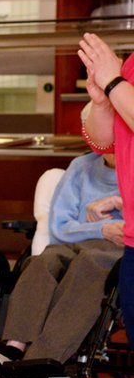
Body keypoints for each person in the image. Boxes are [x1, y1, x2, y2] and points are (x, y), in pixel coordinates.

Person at [0, 151, 122, 363]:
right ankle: (13, 349)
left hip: (117, 249)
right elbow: (60, 226)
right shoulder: (81, 166)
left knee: (88, 265)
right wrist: (102, 228)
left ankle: (43, 356)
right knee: (42, 261)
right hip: (72, 241)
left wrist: (119, 204)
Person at [78, 32, 134, 346]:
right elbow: (104, 142)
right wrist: (101, 101)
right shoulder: (130, 64)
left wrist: (112, 80)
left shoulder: (119, 72)